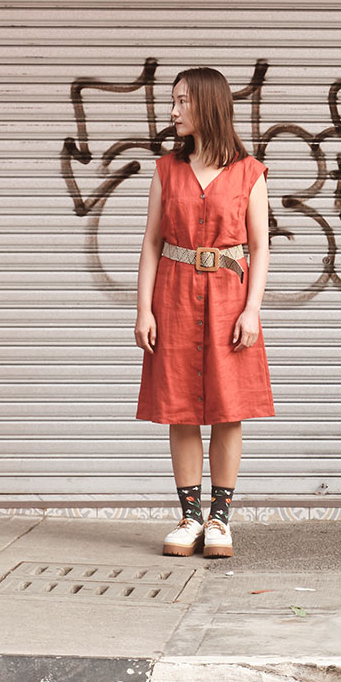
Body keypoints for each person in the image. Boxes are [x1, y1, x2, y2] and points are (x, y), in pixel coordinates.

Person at [134, 66, 274, 558]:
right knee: (181, 410)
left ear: (207, 107)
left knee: (229, 410)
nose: (172, 112)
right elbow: (152, 243)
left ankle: (220, 520)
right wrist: (143, 310)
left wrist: (252, 310)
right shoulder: (166, 170)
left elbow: (260, 246)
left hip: (228, 299)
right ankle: (189, 517)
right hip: (173, 298)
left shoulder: (249, 172)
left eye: (181, 102)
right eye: (172, 102)